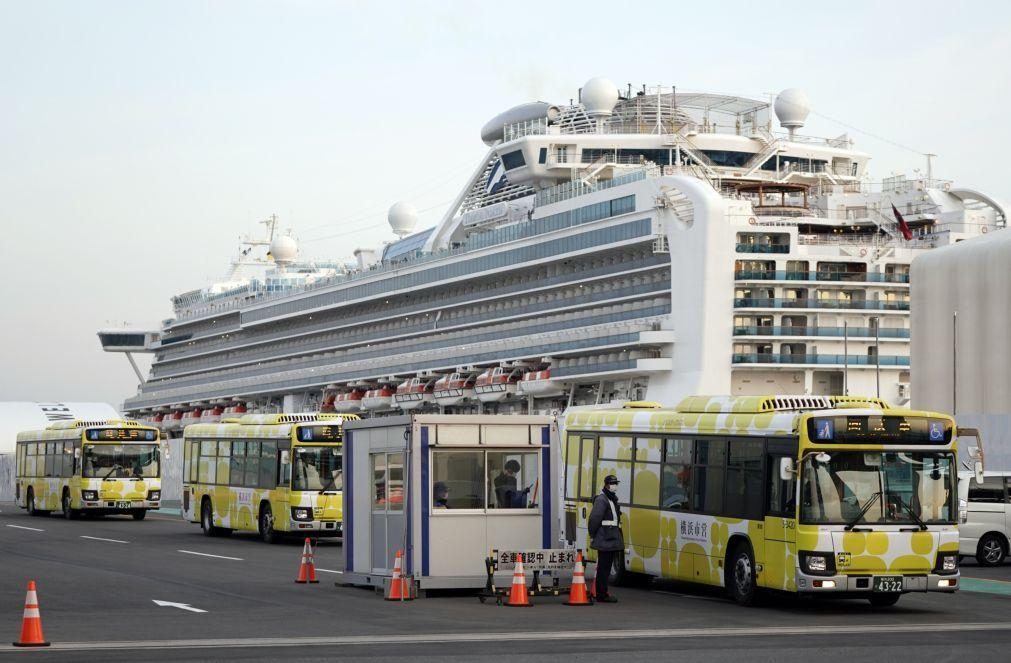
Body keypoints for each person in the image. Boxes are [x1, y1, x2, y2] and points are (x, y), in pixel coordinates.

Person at [588, 474, 623, 603]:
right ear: (607, 485)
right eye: (614, 484)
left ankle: (602, 592)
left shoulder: (611, 499)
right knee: (604, 567)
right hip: (605, 539)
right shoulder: (602, 500)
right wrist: (592, 535)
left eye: (616, 483)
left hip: (610, 538)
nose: (615, 486)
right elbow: (594, 519)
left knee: (606, 567)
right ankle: (601, 593)